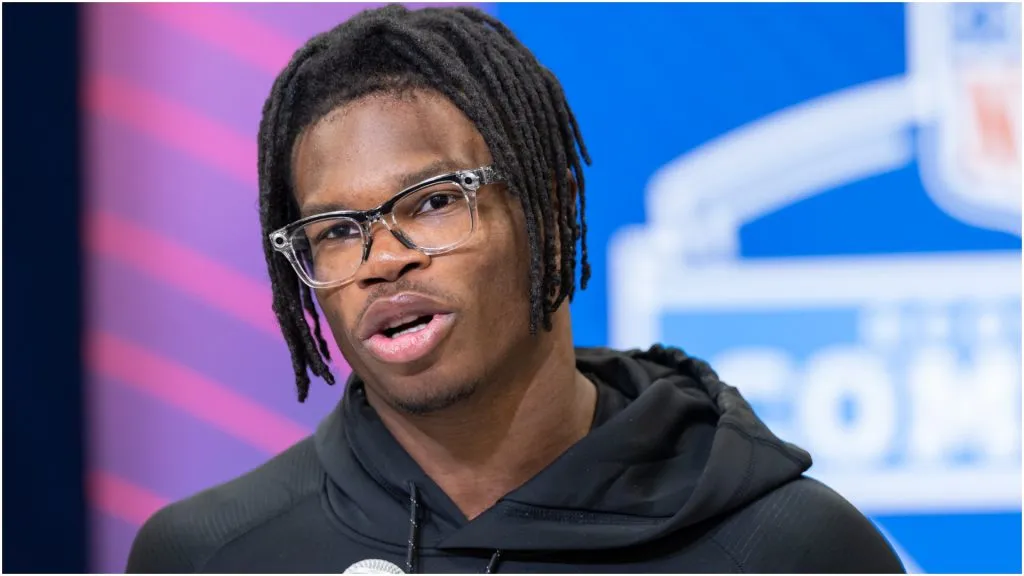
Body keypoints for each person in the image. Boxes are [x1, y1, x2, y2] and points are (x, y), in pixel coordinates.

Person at [126, 5, 906, 574]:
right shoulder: (208, 556)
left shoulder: (792, 549)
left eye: (432, 202)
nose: (380, 259)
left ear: (553, 206)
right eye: (334, 230)